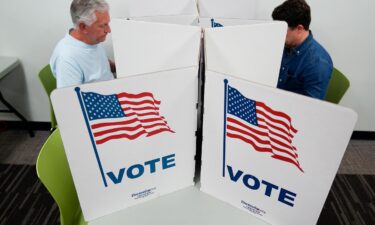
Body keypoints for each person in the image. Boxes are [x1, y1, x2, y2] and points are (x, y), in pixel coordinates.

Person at [272, 0, 333, 100]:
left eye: (282, 30)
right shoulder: (285, 44)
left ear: (299, 29)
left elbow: (311, 107)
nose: (278, 35)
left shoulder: (318, 63)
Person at [50, 0, 116, 88]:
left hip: (112, 89)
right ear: (83, 27)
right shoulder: (67, 59)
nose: (108, 30)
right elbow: (70, 99)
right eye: (102, 25)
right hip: (99, 98)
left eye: (107, 24)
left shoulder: (92, 38)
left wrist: (121, 67)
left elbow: (100, 62)